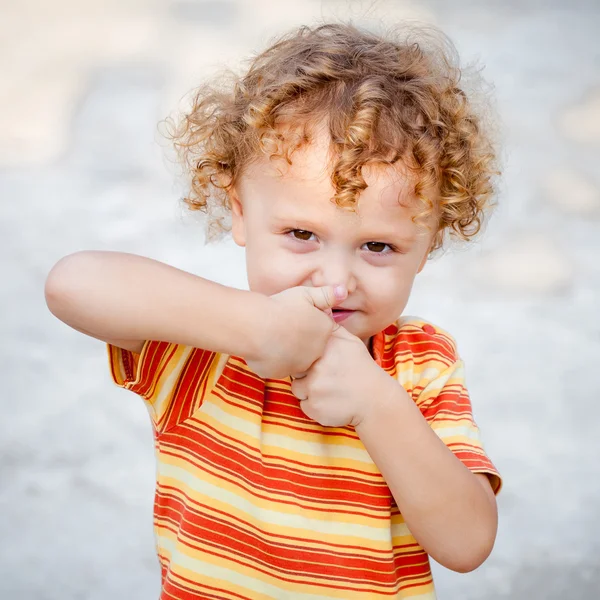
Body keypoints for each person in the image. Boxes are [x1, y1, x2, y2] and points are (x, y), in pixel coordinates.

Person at [45, 22, 502, 600]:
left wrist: (378, 404)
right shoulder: (206, 348)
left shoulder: (418, 367)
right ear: (239, 212)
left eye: (378, 246)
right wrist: (254, 327)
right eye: (302, 233)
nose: (336, 282)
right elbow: (72, 284)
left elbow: (467, 544)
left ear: (427, 246)